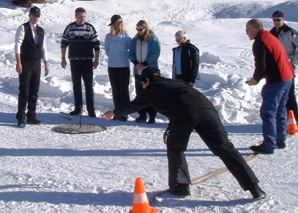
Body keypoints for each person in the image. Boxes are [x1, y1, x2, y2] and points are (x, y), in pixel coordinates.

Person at [102, 66, 266, 201]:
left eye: (142, 83)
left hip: (185, 114)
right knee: (225, 148)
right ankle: (254, 188)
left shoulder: (152, 88)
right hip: (207, 110)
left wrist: (113, 112)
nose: (142, 86)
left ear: (147, 80)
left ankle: (180, 187)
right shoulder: (174, 82)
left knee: (175, 148)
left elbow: (133, 106)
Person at [245, 19, 295, 154]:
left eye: (248, 30)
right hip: (288, 77)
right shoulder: (269, 36)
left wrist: (255, 79)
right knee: (280, 108)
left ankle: (269, 144)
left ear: (254, 28)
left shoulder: (260, 41)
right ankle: (280, 139)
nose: (246, 33)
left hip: (277, 80)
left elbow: (260, 65)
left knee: (268, 112)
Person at [61, 7, 100, 118]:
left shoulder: (89, 28)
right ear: (76, 16)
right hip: (74, 61)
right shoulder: (70, 28)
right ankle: (78, 108)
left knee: (88, 86)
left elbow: (96, 45)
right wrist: (63, 58)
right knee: (76, 85)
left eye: (84, 17)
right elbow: (64, 43)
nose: (82, 19)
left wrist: (96, 59)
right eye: (80, 17)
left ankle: (91, 109)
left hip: (87, 61)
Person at [15, 6, 50, 128]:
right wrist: (18, 62)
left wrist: (46, 63)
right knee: (24, 91)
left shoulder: (40, 30)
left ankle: (31, 115)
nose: (36, 18)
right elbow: (17, 45)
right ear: (29, 15)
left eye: (38, 16)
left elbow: (43, 47)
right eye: (34, 15)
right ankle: (21, 117)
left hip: (36, 63)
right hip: (25, 62)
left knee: (34, 91)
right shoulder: (23, 28)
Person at [129, 20, 161, 124]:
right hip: (138, 71)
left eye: (140, 29)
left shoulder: (153, 39)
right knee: (140, 93)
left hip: (150, 70)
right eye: (137, 29)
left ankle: (152, 116)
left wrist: (145, 63)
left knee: (151, 93)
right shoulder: (135, 40)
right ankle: (142, 115)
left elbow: (155, 53)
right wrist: (136, 63)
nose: (139, 31)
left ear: (145, 28)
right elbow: (131, 53)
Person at [270, 10, 298, 123]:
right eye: (274, 20)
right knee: (278, 92)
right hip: (276, 66)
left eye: (278, 20)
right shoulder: (271, 33)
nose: (276, 22)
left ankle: (294, 118)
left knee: (289, 92)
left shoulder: (290, 32)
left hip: (288, 65)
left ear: (283, 19)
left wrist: (293, 61)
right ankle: (282, 118)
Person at [104, 15, 131, 121]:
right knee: (115, 90)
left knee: (124, 90)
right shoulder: (108, 36)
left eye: (120, 22)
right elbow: (107, 50)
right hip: (112, 66)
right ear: (113, 24)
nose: (119, 24)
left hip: (123, 66)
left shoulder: (126, 36)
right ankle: (117, 112)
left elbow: (130, 49)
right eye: (117, 22)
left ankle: (125, 113)